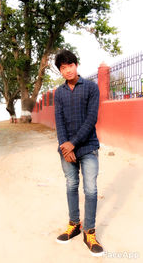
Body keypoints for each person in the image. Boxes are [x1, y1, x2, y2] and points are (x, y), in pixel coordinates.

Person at [54, 49, 104, 257]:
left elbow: (91, 118)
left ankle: (89, 232)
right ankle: (74, 224)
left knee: (91, 190)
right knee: (71, 185)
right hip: (67, 150)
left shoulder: (91, 87)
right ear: (60, 71)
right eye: (63, 68)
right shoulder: (59, 92)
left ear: (76, 65)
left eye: (70, 65)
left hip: (88, 146)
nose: (67, 70)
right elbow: (59, 121)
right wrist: (64, 147)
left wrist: (72, 144)